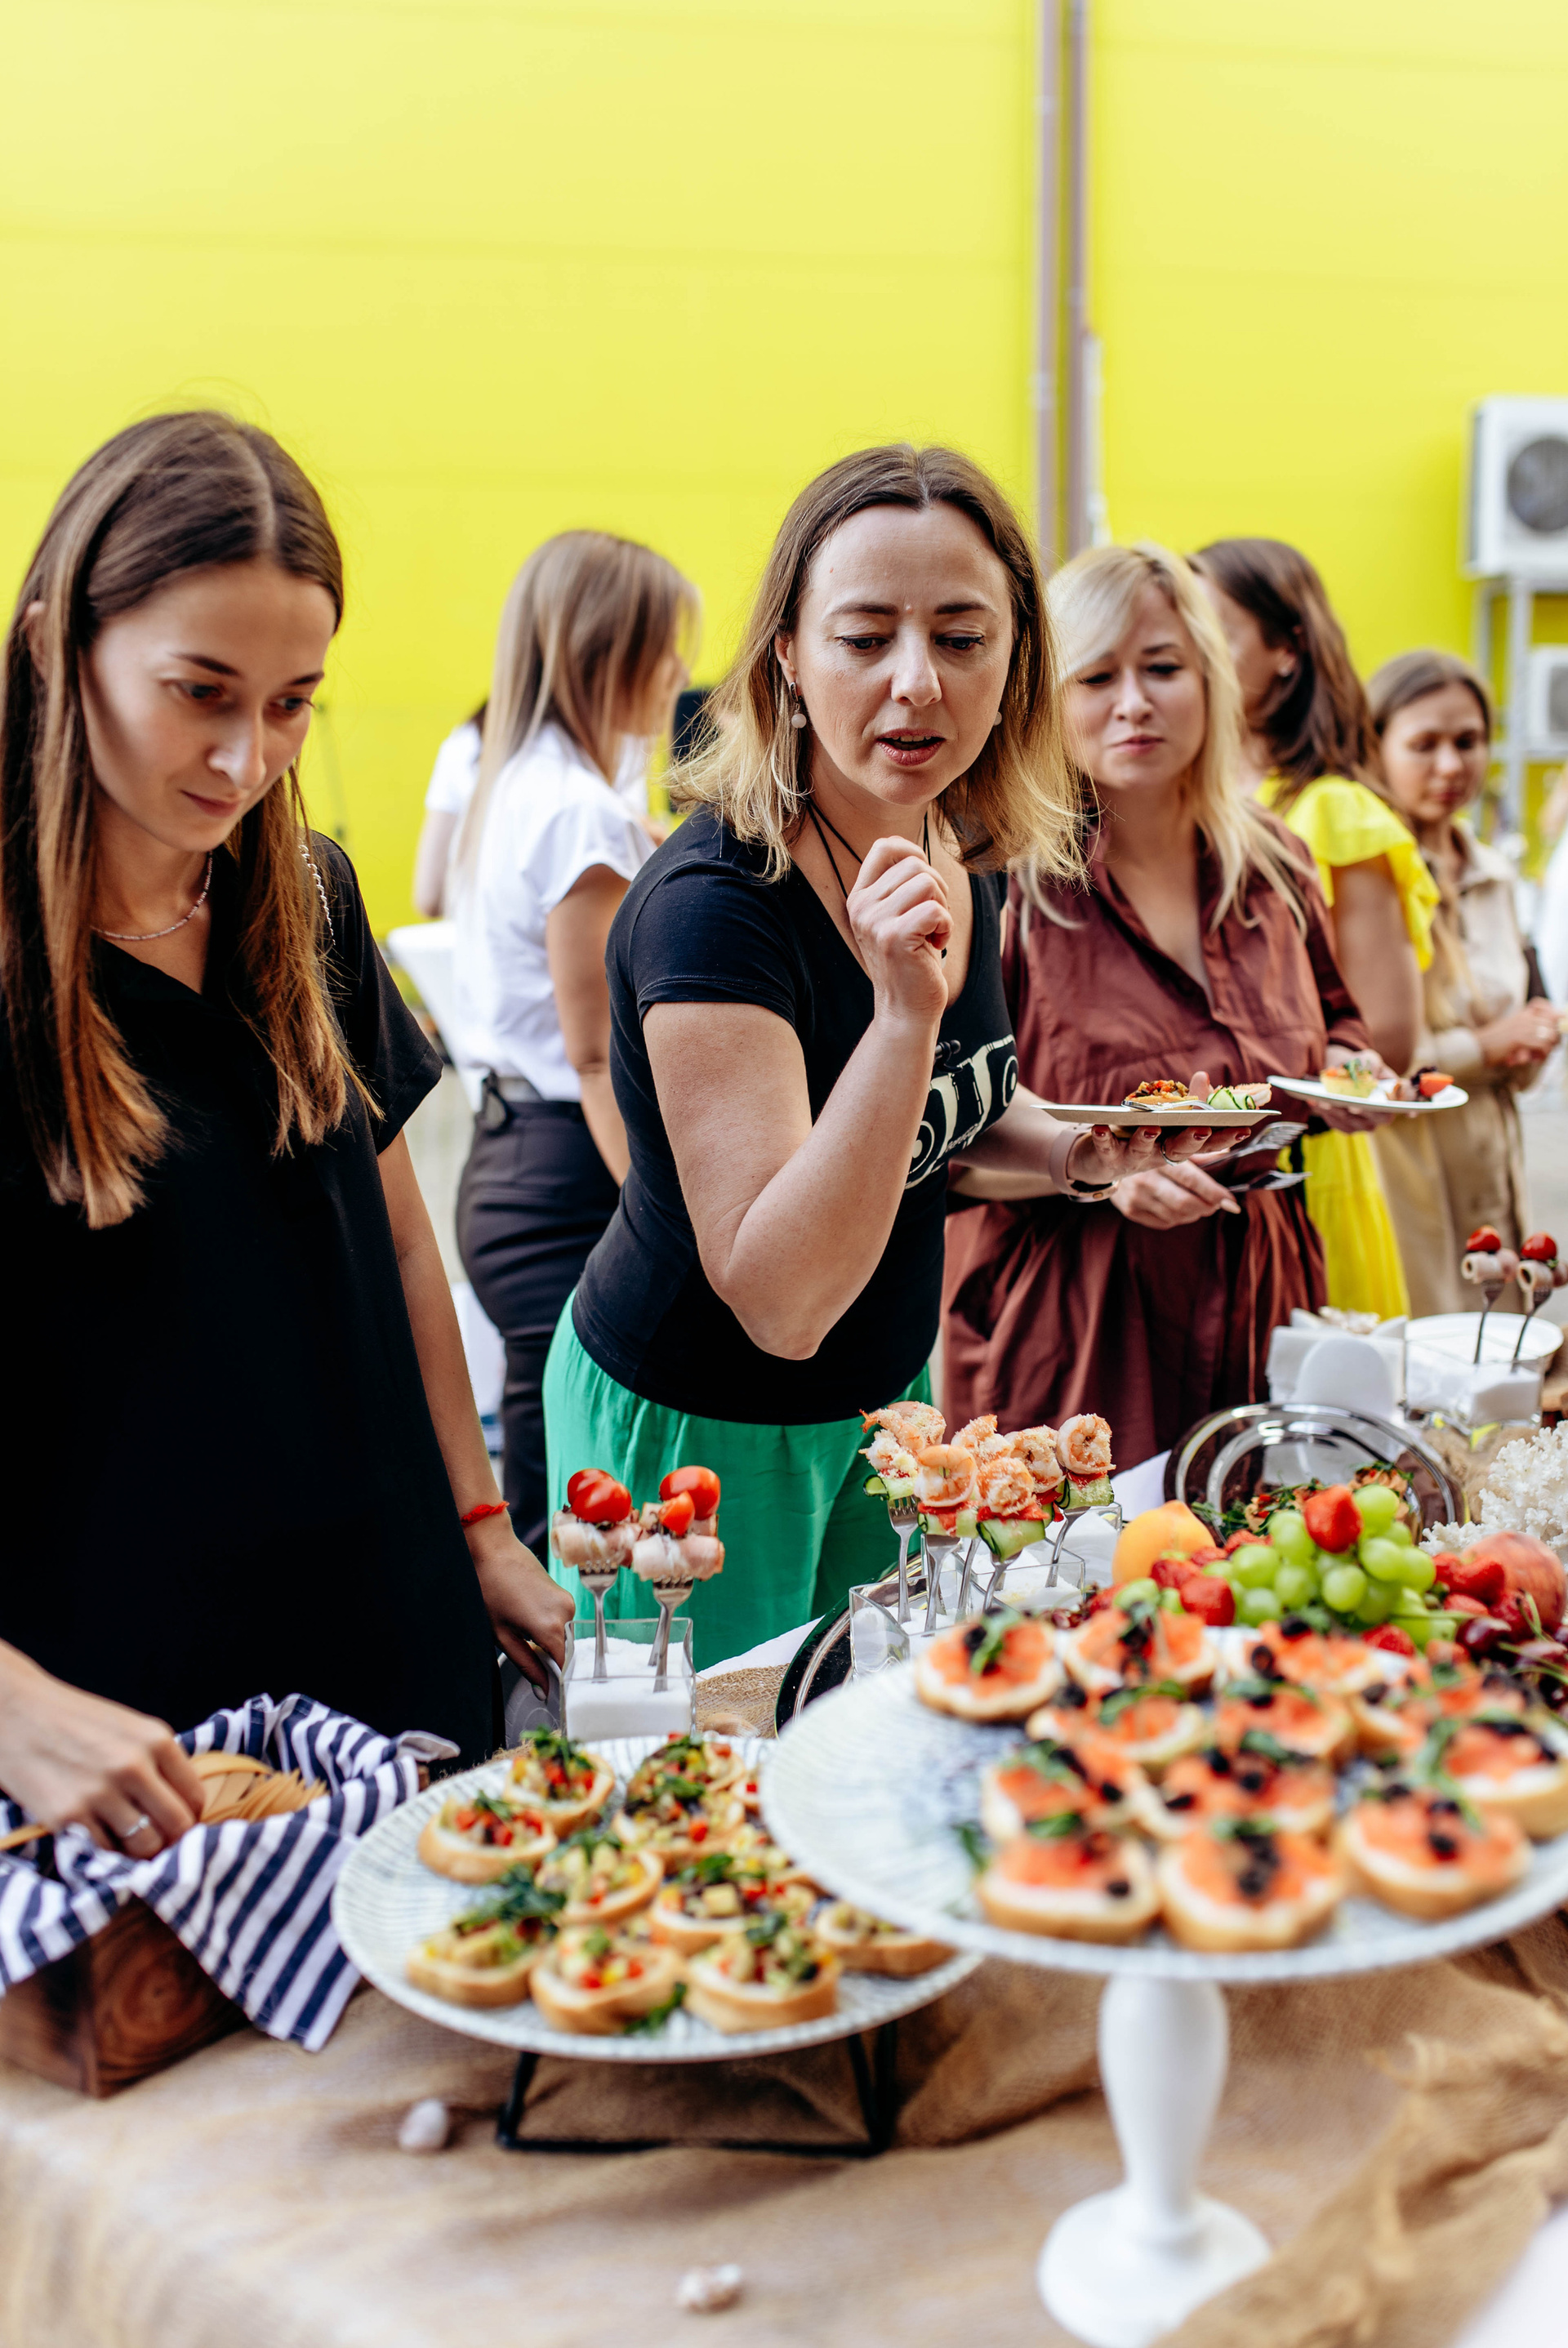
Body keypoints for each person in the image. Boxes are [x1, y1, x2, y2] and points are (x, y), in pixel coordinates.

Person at [0, 412, 572, 1852]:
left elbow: (397, 1236)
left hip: (390, 1631)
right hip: (122, 1710)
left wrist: (482, 1526)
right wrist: (14, 1710)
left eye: (292, 703)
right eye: (200, 691)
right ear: (62, 643)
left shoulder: (306, 897)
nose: (243, 756)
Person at [542, 447, 1196, 1665]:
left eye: (962, 637)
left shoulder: (951, 843)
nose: (917, 683)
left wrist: (1086, 1152)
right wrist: (902, 1017)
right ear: (787, 655)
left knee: (871, 1725)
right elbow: (781, 1296)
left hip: (883, 1406)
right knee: (719, 1763)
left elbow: (944, 1118)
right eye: (864, 637)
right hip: (700, 1423)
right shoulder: (716, 908)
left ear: (1016, 662)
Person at [942, 543, 1381, 1466]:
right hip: (1078, 1327)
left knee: (1272, 1543)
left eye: (1163, 668)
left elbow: (1337, 1019)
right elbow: (941, 1141)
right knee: (1091, 1555)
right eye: (1097, 676)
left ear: (1211, 681)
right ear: (1047, 698)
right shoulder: (999, 881)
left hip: (1268, 1297)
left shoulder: (1277, 864)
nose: (1134, 702)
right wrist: (1101, 1168)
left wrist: (1352, 1071)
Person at [449, 532, 696, 1553]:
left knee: (554, 1496)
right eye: (666, 645)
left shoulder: (517, 787)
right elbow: (596, 1055)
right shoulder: (577, 815)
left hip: (514, 1157)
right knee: (578, 1516)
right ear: (611, 651)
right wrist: (677, 1218)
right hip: (568, 1170)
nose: (679, 671)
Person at [1192, 537, 1436, 1319]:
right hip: (1196, 1181)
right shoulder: (1181, 809)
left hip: (1308, 1172)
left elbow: (1388, 1036)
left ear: (1288, 650)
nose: (1193, 656)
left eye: (1216, 631)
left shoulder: (1331, 811)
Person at [1367, 651, 1558, 1314]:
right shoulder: (1369, 880)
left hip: (1494, 1164)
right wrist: (1487, 1045)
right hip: (1410, 1172)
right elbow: (1368, 1066)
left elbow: (1517, 1056)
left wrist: (1534, 1041)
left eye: (1468, 741)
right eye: (1424, 744)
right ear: (1376, 747)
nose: (1451, 765)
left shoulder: (1495, 874)